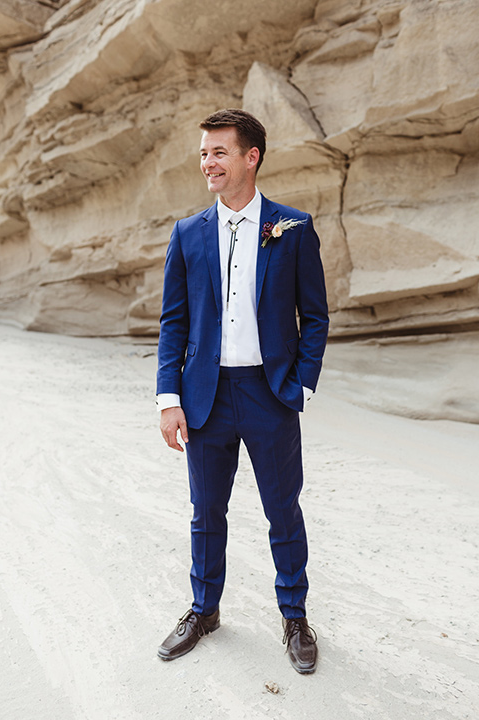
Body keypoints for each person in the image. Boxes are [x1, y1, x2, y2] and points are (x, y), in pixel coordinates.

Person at [155, 108, 329, 674]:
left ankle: (295, 617)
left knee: (283, 511)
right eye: (204, 153)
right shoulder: (187, 234)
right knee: (206, 512)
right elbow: (173, 324)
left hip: (269, 394)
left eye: (219, 152)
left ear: (251, 156)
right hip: (203, 396)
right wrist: (168, 398)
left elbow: (316, 316)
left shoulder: (293, 227)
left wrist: (300, 386)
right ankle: (204, 611)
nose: (208, 162)